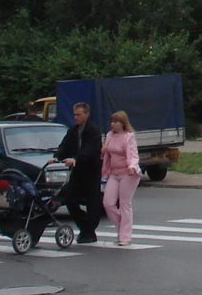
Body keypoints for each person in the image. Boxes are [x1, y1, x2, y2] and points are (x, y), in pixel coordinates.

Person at [54, 102, 104, 243]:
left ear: (86, 114)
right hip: (77, 171)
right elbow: (64, 146)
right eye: (74, 114)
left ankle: (89, 231)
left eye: (78, 114)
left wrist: (76, 158)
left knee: (92, 202)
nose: (75, 117)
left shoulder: (93, 131)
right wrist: (57, 157)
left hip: (91, 171)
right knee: (69, 199)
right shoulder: (73, 130)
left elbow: (90, 150)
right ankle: (84, 226)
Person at [100, 111, 142, 246]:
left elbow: (133, 154)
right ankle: (121, 227)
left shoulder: (128, 137)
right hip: (113, 173)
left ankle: (125, 236)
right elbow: (107, 154)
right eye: (112, 121)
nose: (112, 124)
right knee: (108, 203)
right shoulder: (109, 135)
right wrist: (104, 152)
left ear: (123, 123)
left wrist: (132, 166)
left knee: (124, 204)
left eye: (116, 122)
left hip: (127, 174)